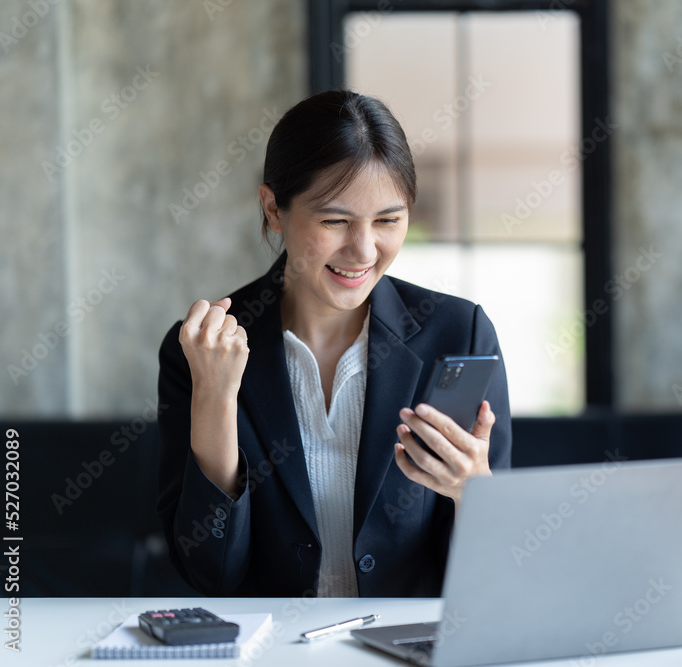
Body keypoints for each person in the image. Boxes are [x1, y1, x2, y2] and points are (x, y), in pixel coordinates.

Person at [156, 90, 511, 598]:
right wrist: (215, 395)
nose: (363, 250)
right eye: (335, 221)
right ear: (273, 208)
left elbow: (491, 581)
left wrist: (473, 493)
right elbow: (208, 572)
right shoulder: (201, 350)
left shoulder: (458, 334)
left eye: (388, 220)